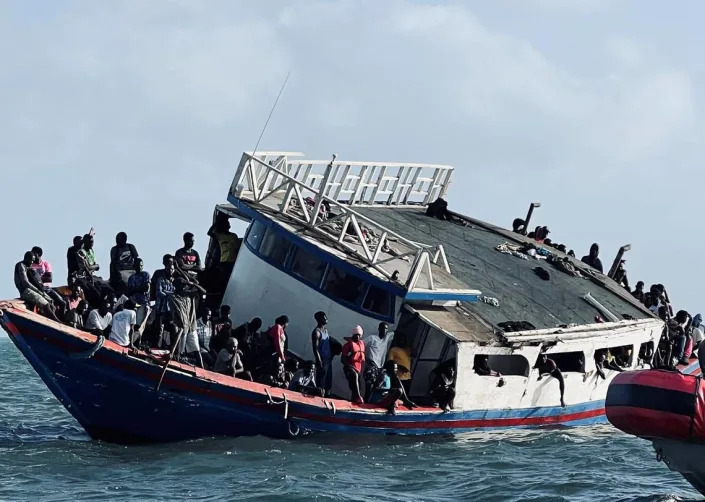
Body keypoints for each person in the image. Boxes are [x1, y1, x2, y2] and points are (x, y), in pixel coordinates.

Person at [14, 251, 60, 322]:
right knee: (46, 304)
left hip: (34, 290)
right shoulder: (21, 265)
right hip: (26, 291)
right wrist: (38, 291)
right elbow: (25, 282)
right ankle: (56, 321)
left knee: (51, 302)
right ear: (26, 258)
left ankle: (51, 318)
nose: (32, 262)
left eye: (33, 261)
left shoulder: (28, 268)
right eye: (31, 260)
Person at [170, 277, 205, 359]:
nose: (183, 287)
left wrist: (192, 284)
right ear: (176, 286)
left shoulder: (189, 294)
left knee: (196, 349)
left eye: (184, 285)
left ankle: (201, 368)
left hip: (192, 325)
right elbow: (176, 314)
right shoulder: (173, 298)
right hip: (182, 327)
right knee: (179, 351)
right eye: (181, 285)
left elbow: (203, 292)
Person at [76, 233, 114, 304]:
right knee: (96, 292)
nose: (91, 244)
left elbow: (94, 266)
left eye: (92, 242)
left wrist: (94, 266)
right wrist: (95, 266)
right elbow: (87, 268)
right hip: (84, 277)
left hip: (93, 275)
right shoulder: (81, 252)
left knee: (109, 288)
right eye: (89, 242)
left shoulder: (91, 251)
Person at [363, 322, 394, 401]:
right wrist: (365, 358)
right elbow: (361, 344)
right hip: (371, 366)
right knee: (369, 388)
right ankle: (365, 403)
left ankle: (371, 403)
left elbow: (399, 330)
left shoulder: (386, 338)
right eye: (383, 328)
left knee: (377, 387)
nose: (385, 330)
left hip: (379, 368)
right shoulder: (372, 338)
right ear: (379, 329)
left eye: (386, 329)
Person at [311, 311, 334, 397]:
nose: (326, 318)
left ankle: (327, 396)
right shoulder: (316, 332)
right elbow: (315, 349)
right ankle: (318, 397)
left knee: (328, 380)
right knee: (321, 381)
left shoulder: (325, 331)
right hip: (322, 359)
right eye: (323, 317)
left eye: (325, 316)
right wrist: (319, 361)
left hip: (328, 359)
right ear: (319, 319)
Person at [341, 325, 366, 404]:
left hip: (358, 367)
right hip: (350, 367)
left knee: (358, 383)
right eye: (356, 335)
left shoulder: (361, 344)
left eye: (359, 335)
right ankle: (358, 396)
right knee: (354, 376)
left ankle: (354, 400)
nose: (357, 337)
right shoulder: (347, 345)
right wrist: (348, 366)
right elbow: (343, 359)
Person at [155, 261, 176, 348]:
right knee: (159, 329)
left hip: (170, 310)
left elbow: (176, 294)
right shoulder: (161, 280)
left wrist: (166, 292)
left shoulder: (175, 281)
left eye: (172, 269)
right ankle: (156, 346)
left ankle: (172, 348)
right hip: (161, 308)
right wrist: (170, 294)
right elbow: (159, 292)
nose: (170, 270)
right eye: (168, 269)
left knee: (172, 328)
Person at [127, 258, 151, 331]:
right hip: (134, 303)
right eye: (138, 265)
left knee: (139, 325)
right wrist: (140, 288)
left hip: (144, 302)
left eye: (141, 265)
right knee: (133, 324)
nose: (139, 267)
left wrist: (135, 289)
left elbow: (146, 288)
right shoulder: (131, 277)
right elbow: (130, 291)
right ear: (134, 266)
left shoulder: (145, 274)